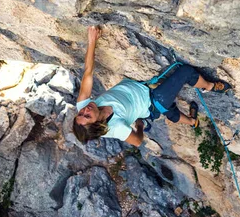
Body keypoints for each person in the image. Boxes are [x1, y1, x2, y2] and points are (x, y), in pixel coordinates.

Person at [73, 26, 231, 146]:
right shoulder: (115, 128)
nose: (85, 110)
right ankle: (209, 86)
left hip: (144, 91)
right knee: (185, 72)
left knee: (170, 110)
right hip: (153, 101)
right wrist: (140, 126)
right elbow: (137, 142)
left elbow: (88, 72)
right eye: (87, 116)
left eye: (80, 113)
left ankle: (192, 122)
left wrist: (92, 40)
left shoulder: (84, 104)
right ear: (98, 123)